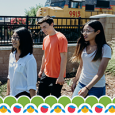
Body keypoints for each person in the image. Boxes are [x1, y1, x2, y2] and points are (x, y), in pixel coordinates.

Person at [71, 20, 111, 98]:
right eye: (83, 31)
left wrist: (87, 88)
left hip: (97, 87)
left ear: (98, 32)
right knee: (74, 107)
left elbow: (100, 72)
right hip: (81, 84)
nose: (84, 33)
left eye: (88, 31)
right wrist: (75, 81)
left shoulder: (105, 48)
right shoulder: (83, 46)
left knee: (94, 110)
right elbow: (81, 66)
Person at [37, 15, 68, 98]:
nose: (43, 30)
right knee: (40, 97)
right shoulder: (45, 39)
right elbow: (45, 55)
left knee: (54, 99)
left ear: (52, 24)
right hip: (45, 74)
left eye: (45, 27)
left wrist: (61, 76)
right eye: (41, 27)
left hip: (57, 76)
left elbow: (64, 58)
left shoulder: (61, 38)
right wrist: (41, 70)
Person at [6, 27, 37, 98]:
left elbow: (31, 84)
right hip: (12, 95)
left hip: (24, 96)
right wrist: (8, 94)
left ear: (24, 39)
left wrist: (32, 103)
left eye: (17, 37)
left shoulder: (30, 59)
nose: (13, 39)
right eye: (13, 37)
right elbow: (9, 76)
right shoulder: (12, 55)